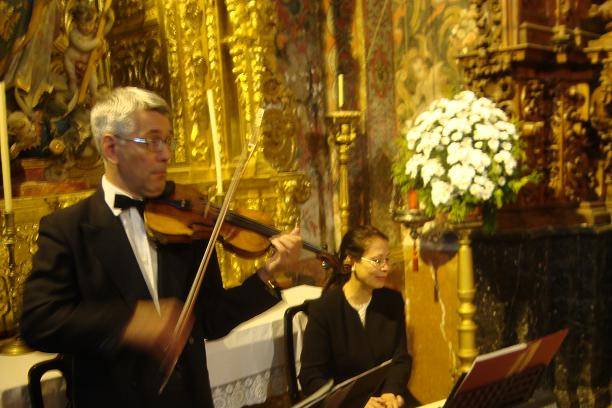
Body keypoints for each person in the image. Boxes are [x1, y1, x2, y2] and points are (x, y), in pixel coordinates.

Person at [20, 87, 302, 407]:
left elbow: (209, 317)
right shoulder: (68, 229)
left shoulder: (185, 218)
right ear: (111, 148)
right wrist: (129, 322)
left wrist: (268, 275)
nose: (166, 154)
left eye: (167, 141)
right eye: (152, 141)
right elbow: (38, 320)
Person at [299, 226, 419, 408]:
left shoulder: (392, 301)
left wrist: (391, 393)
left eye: (387, 260)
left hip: (388, 400)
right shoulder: (324, 310)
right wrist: (356, 402)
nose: (385, 267)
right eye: (377, 261)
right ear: (352, 260)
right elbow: (310, 377)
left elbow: (400, 358)